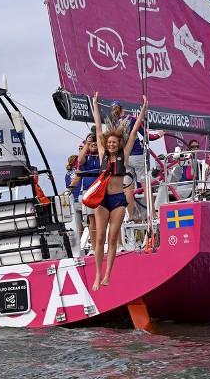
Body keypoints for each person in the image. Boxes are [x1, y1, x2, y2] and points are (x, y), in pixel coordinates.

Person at [92, 92, 148, 290]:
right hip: (102, 200)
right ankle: (97, 275)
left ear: (118, 143)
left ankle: (108, 275)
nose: (112, 144)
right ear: (106, 144)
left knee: (113, 238)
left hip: (117, 200)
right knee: (100, 239)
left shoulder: (124, 156)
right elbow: (98, 127)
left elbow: (132, 134)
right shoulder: (102, 155)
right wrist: (95, 104)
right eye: (109, 142)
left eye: (115, 142)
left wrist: (143, 109)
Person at [106, 100, 163, 222]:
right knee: (145, 184)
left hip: (124, 158)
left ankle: (130, 216)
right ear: (123, 109)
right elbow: (149, 137)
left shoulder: (113, 124)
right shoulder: (131, 119)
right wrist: (160, 134)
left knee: (128, 188)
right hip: (137, 156)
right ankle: (152, 215)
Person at [71, 133, 100, 254]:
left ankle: (103, 244)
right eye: (91, 143)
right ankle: (94, 248)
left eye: (95, 143)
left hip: (101, 190)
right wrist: (86, 144)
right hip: (88, 191)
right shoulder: (85, 157)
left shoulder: (102, 155)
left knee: (103, 219)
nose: (93, 145)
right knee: (91, 220)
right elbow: (80, 160)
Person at [63, 155, 83, 240]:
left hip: (73, 199)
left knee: (78, 223)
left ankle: (79, 242)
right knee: (89, 221)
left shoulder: (67, 174)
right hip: (81, 197)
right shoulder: (79, 171)